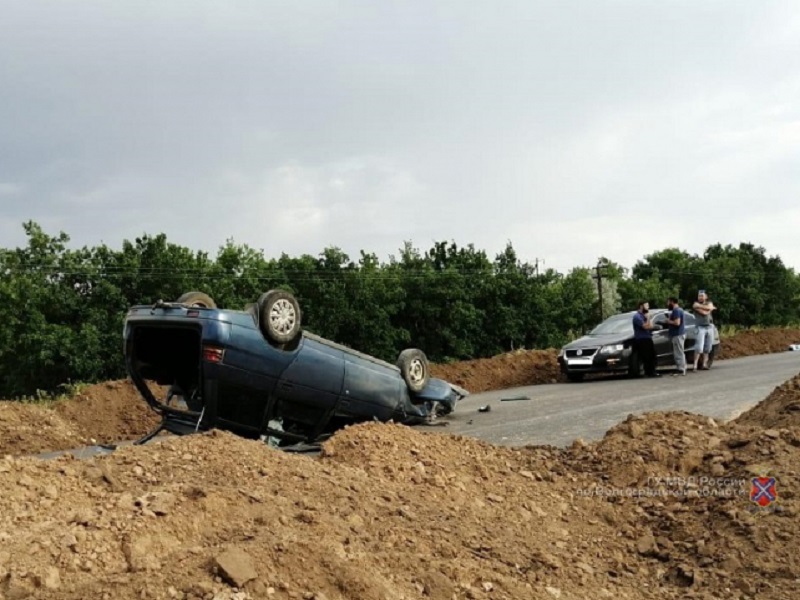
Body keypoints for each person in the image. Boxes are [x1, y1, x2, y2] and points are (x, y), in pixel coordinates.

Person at [632, 301, 659, 377]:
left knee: (652, 355)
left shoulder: (644, 315)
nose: (648, 307)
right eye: (646, 306)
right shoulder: (637, 317)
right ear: (641, 306)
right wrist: (648, 318)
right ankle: (648, 372)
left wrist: (648, 319)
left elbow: (651, 326)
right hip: (641, 339)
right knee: (646, 356)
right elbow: (645, 327)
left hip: (647, 337)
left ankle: (652, 371)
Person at [692, 290, 716, 371]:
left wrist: (707, 307)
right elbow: (704, 313)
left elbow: (709, 307)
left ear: (706, 297)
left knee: (708, 347)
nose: (700, 297)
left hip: (709, 327)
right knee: (699, 347)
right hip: (700, 327)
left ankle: (704, 364)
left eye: (702, 296)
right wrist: (709, 309)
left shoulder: (709, 302)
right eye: (699, 296)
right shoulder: (695, 304)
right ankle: (695, 365)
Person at [664, 296, 686, 375]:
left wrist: (668, 321)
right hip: (678, 334)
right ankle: (679, 368)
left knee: (679, 352)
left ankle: (681, 369)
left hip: (678, 335)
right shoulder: (679, 310)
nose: (667, 304)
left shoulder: (676, 310)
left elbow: (677, 323)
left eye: (668, 302)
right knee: (678, 352)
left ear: (672, 302)